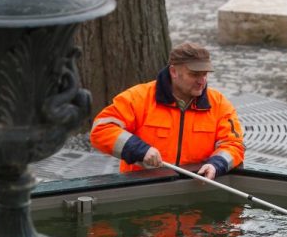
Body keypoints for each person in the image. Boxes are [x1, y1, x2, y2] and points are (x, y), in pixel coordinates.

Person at [90, 42, 244, 180]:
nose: (202, 81)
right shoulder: (138, 97)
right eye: (194, 74)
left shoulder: (219, 104)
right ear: (174, 72)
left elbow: (234, 144)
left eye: (204, 74)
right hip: (141, 187)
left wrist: (216, 164)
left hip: (196, 187)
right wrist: (139, 150)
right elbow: (100, 129)